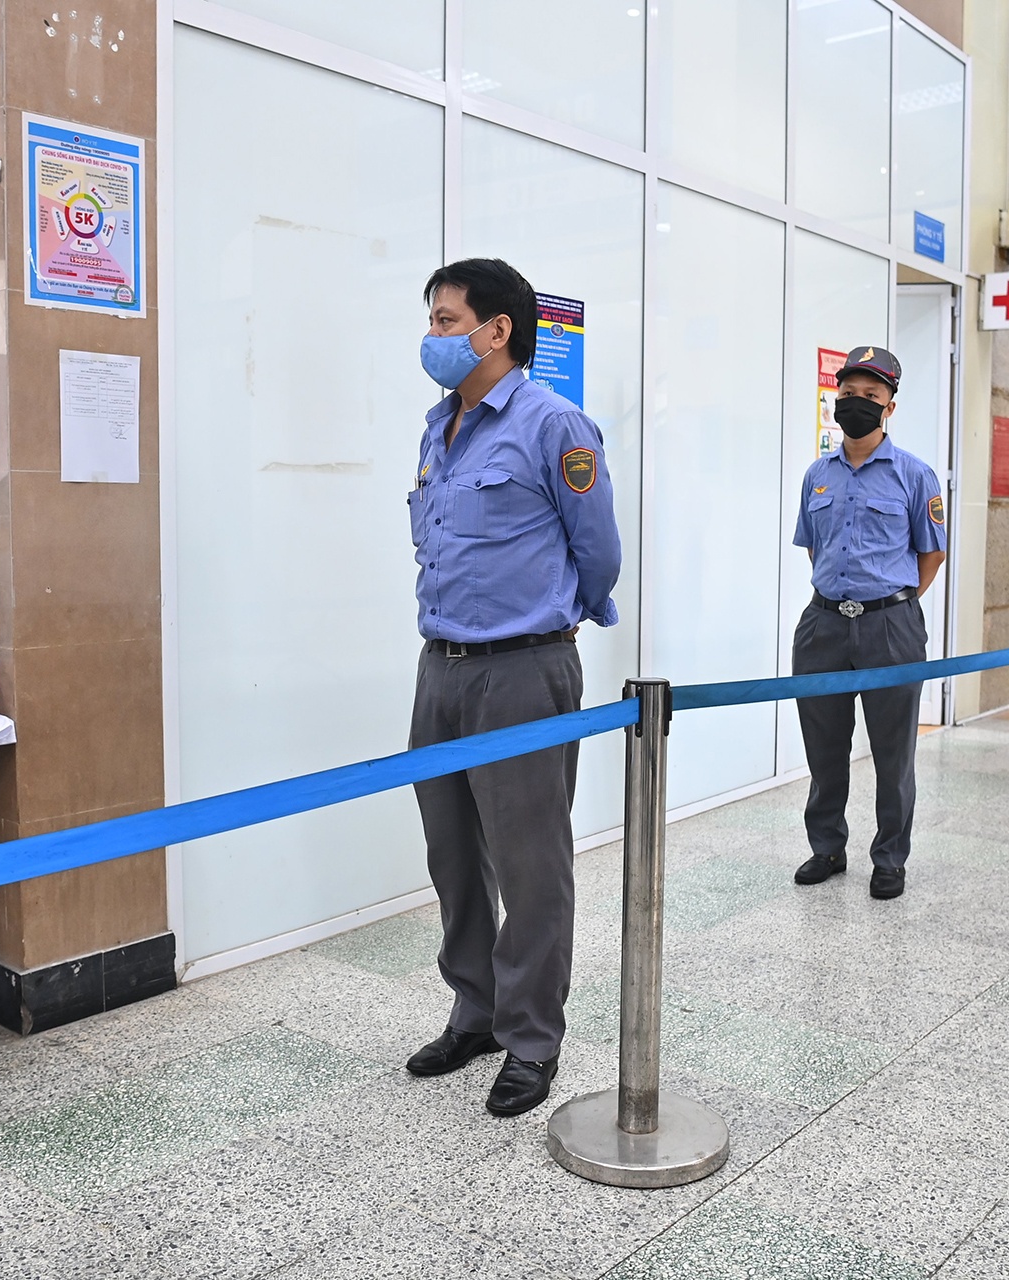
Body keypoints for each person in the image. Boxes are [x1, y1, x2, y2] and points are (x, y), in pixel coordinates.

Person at [402, 259, 622, 1117]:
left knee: (532, 865)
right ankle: (477, 1011)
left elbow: (598, 550)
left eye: (449, 321)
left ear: (499, 331)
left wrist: (559, 620)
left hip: (524, 668)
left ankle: (532, 1038)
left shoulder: (553, 425)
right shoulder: (439, 427)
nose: (435, 336)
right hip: (440, 670)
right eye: (433, 321)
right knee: (453, 853)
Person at [790, 346, 946, 902]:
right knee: (824, 746)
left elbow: (931, 555)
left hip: (890, 626)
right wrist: (843, 601)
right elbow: (816, 551)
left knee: (892, 750)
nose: (856, 404)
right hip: (823, 625)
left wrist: (894, 604)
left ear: (890, 407)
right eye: (849, 394)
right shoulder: (818, 475)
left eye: (871, 397)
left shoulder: (915, 475)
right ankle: (827, 847)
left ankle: (889, 857)